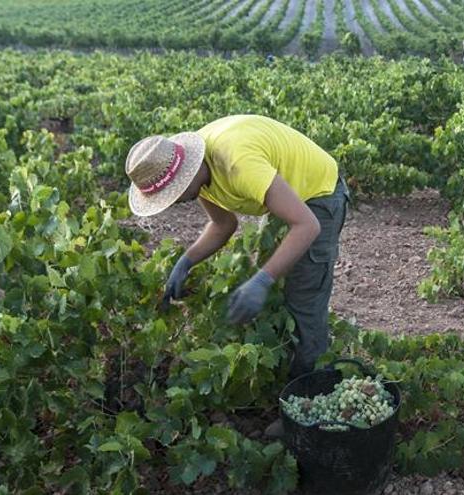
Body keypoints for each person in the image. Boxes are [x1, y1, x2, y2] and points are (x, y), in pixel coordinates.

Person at [124, 115, 349, 434]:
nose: (175, 202)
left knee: (303, 300)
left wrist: (262, 280)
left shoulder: (237, 163)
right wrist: (187, 261)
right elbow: (223, 225)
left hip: (319, 197)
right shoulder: (194, 167)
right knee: (277, 289)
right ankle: (291, 372)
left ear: (185, 174)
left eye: (174, 193)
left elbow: (307, 225)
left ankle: (307, 404)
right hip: (285, 194)